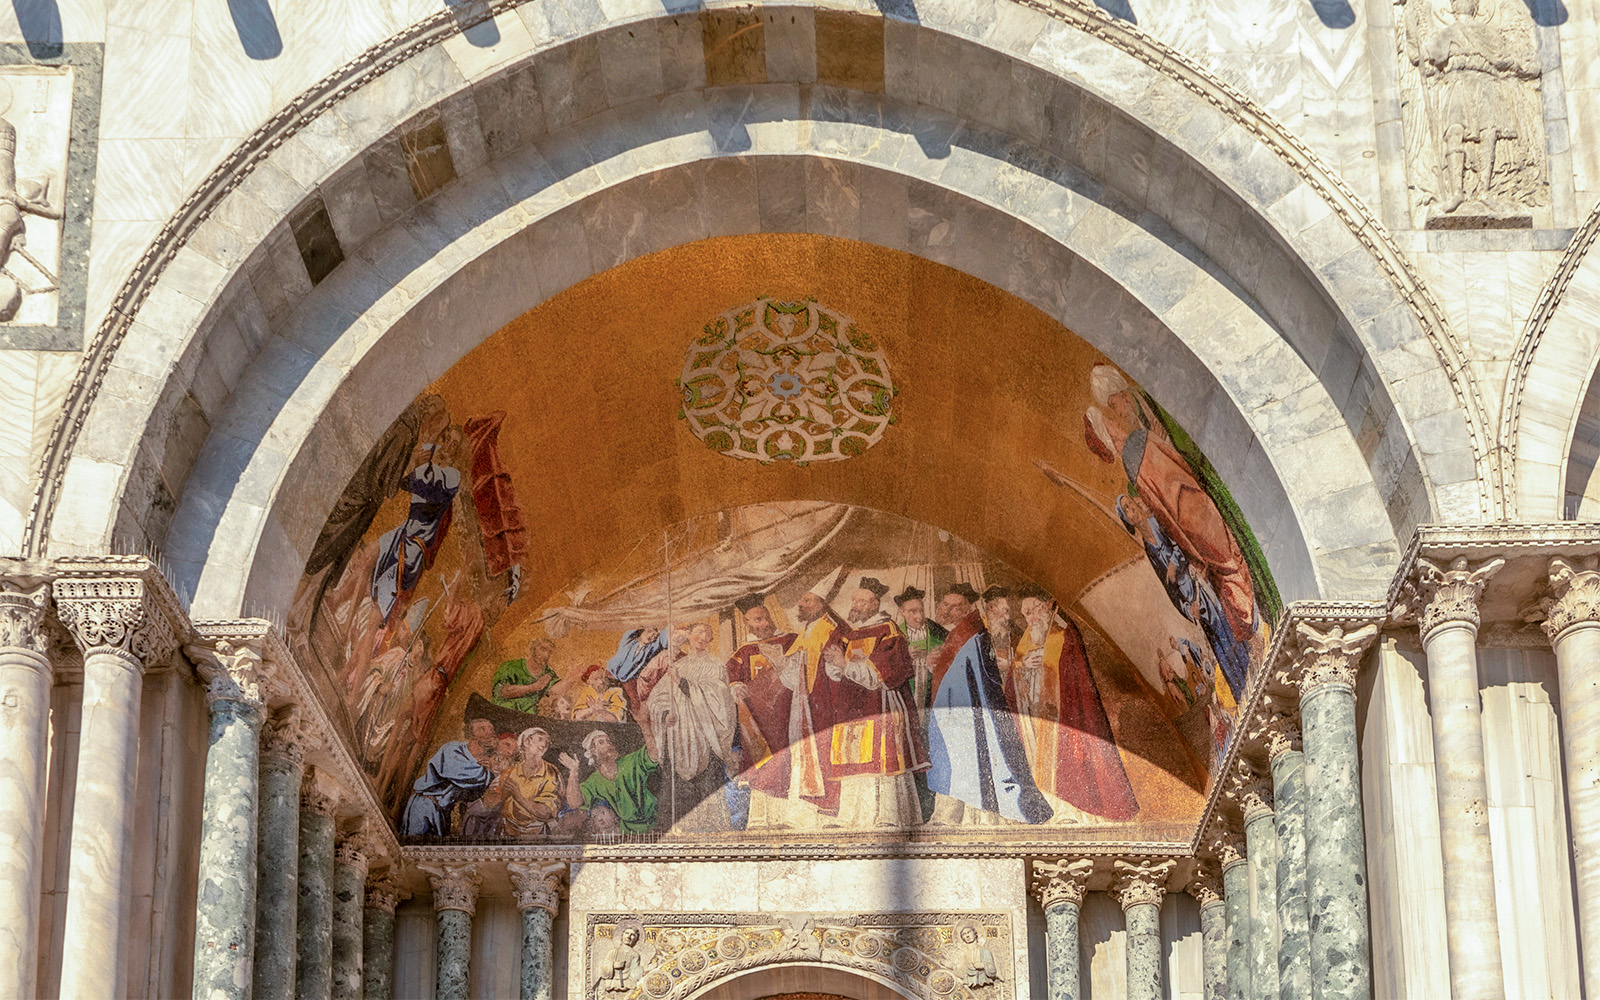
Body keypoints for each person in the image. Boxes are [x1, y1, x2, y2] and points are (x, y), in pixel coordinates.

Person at [1012, 586, 1138, 821]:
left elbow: (1074, 679)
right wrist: (1022, 667)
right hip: (1034, 722)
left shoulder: (1064, 636)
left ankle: (1072, 810)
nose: (1031, 618)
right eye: (1026, 613)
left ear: (1048, 605)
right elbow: (1014, 682)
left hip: (1064, 718)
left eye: (1035, 609)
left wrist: (1046, 667)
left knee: (1070, 765)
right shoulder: (1025, 642)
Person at [810, 578, 927, 828]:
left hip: (880, 704)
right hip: (851, 706)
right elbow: (836, 672)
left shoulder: (888, 630)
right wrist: (833, 663)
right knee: (852, 757)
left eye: (862, 602)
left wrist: (844, 664)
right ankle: (852, 816)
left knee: (882, 758)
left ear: (875, 604)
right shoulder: (850, 633)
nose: (856, 605)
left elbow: (879, 675)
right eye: (855, 600)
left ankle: (888, 815)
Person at [925, 604, 1052, 825]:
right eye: (1004, 611)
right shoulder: (973, 633)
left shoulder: (980, 633)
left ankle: (976, 815)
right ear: (990, 610)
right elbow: (982, 681)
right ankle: (979, 815)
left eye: (1009, 611)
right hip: (965, 714)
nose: (1007, 617)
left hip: (969, 712)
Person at [371, 427, 467, 626]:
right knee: (369, 560)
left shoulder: (452, 476)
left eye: (454, 444)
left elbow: (428, 492)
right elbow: (403, 483)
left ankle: (375, 624)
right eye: (447, 439)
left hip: (416, 544)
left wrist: (417, 464)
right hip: (404, 531)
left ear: (458, 452)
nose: (448, 446)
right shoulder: (430, 457)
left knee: (385, 598)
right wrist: (414, 462)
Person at [724, 594, 801, 798]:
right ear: (747, 624)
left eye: (766, 617)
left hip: (788, 713)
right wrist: (735, 686)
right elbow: (730, 676)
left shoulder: (790, 641)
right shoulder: (744, 651)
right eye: (758, 620)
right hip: (758, 719)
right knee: (762, 765)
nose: (765, 623)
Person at [400, 717, 497, 837]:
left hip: (443, 813)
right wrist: (487, 772)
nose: (490, 733)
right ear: (472, 734)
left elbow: (473, 794)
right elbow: (460, 774)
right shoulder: (452, 749)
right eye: (482, 729)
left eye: (492, 729)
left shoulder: (484, 765)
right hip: (425, 806)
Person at [498, 727, 584, 837]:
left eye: (547, 743)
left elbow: (546, 812)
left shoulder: (551, 773)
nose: (544, 745)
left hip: (537, 834)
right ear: (526, 742)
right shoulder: (511, 771)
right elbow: (490, 803)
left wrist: (518, 796)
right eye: (540, 739)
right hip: (506, 831)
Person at [578, 730, 661, 835]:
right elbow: (576, 802)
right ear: (593, 751)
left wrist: (644, 724)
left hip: (656, 823)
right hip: (627, 831)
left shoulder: (629, 762)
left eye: (609, 741)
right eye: (601, 742)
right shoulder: (593, 781)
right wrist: (573, 772)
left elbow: (653, 756)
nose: (608, 745)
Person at [895, 586, 947, 723]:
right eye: (912, 612)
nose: (919, 617)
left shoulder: (937, 631)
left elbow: (951, 655)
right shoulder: (895, 635)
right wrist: (905, 656)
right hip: (908, 694)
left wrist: (935, 661)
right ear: (902, 612)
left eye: (921, 611)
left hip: (932, 693)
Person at [491, 637, 560, 715]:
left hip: (530, 717)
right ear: (533, 648)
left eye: (550, 652)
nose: (546, 655)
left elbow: (556, 690)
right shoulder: (510, 666)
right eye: (543, 649)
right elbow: (501, 692)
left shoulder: (549, 673)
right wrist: (533, 687)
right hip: (504, 713)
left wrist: (570, 678)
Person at [947, 922, 999, 988]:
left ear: (975, 934)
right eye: (964, 934)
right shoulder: (961, 954)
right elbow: (960, 972)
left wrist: (984, 966)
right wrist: (952, 967)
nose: (967, 936)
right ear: (962, 938)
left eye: (969, 932)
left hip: (984, 984)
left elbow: (993, 971)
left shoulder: (985, 952)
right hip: (967, 984)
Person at [594, 926, 643, 992]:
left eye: (632, 935)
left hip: (628, 983)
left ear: (635, 939)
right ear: (622, 936)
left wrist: (641, 970)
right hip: (613, 983)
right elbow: (603, 970)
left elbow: (634, 973)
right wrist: (614, 965)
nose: (628, 936)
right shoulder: (613, 952)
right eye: (627, 933)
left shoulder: (635, 955)